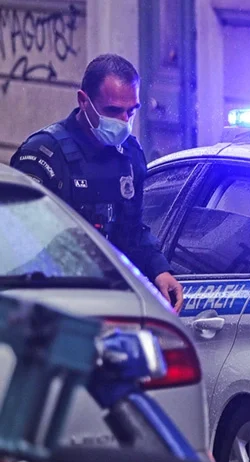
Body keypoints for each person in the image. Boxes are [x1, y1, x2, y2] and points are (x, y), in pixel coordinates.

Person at [10, 53, 184, 312]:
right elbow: (17, 243)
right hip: (50, 305)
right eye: (113, 111)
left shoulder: (130, 155)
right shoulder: (43, 155)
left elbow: (131, 231)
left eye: (131, 111)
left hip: (109, 302)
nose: (124, 121)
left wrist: (159, 270)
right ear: (84, 101)